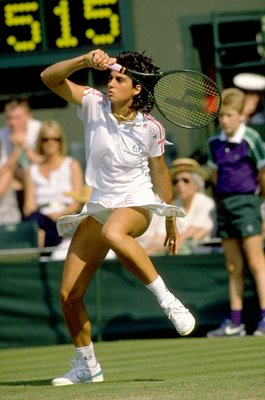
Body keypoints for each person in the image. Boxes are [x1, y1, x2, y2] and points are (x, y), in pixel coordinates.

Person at [40, 48, 196, 385]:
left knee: (114, 233)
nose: (111, 84)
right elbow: (48, 78)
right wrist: (83, 61)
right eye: (111, 77)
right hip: (100, 205)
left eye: (120, 79)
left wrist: (170, 217)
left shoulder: (150, 128)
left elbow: (161, 174)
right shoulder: (94, 103)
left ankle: (167, 300)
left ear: (137, 88)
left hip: (138, 203)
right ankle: (88, 366)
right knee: (69, 296)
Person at [206, 87, 265, 338]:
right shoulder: (213, 143)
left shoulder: (252, 139)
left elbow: (262, 173)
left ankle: (263, 320)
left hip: (248, 205)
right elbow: (214, 176)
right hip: (225, 206)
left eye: (229, 115)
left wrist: (257, 201)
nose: (224, 120)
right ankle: (236, 322)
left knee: (256, 262)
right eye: (221, 116)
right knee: (233, 266)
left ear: (241, 115)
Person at [23, 120, 84, 247]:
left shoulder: (72, 165)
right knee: (35, 222)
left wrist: (59, 215)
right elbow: (29, 206)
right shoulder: (31, 171)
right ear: (40, 142)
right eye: (45, 139)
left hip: (66, 216)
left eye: (55, 139)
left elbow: (76, 202)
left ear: (60, 141)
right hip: (42, 217)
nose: (50, 143)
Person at [137, 158, 216, 255]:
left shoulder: (205, 202)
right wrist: (143, 254)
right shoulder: (174, 205)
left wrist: (157, 248)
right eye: (175, 181)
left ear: (197, 184)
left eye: (185, 180)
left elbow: (193, 234)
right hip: (174, 254)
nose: (180, 185)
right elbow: (160, 236)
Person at [0, 98, 43, 214]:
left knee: (28, 172)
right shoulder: (3, 134)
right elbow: (3, 169)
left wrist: (24, 146)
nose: (13, 123)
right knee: (7, 175)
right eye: (9, 118)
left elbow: (44, 163)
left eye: (17, 118)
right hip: (15, 176)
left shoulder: (39, 129)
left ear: (29, 117)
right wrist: (16, 149)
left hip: (37, 174)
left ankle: (30, 213)